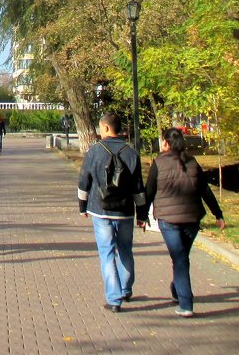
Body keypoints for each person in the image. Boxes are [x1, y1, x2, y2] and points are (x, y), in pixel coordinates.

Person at [145, 127, 226, 318]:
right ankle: (177, 290)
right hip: (192, 218)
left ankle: (186, 303)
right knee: (181, 258)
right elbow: (205, 190)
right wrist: (218, 214)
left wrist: (142, 215)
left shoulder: (158, 163)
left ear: (165, 142)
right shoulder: (192, 162)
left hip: (168, 219)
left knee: (180, 259)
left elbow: (149, 191)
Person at [77, 113, 147, 312]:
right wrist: (142, 214)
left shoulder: (95, 151)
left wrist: (82, 206)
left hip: (101, 210)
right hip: (125, 211)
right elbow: (139, 188)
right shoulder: (132, 153)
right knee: (125, 249)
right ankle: (125, 289)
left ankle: (114, 299)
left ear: (106, 128)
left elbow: (84, 182)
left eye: (100, 127)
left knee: (106, 252)